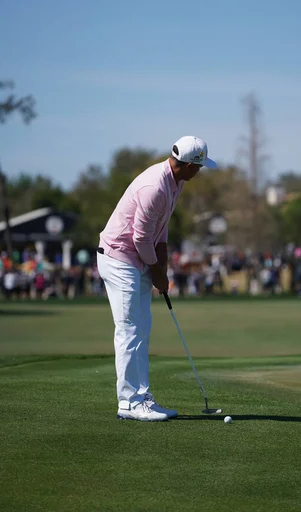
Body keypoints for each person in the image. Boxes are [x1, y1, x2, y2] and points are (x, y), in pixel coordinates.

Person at [97, 136, 217, 422]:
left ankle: (142, 397)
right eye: (198, 167)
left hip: (137, 258)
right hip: (119, 259)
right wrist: (157, 273)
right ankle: (128, 402)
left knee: (142, 329)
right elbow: (140, 237)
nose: (199, 173)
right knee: (129, 330)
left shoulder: (176, 182)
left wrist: (161, 270)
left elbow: (159, 232)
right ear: (187, 165)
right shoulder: (155, 187)